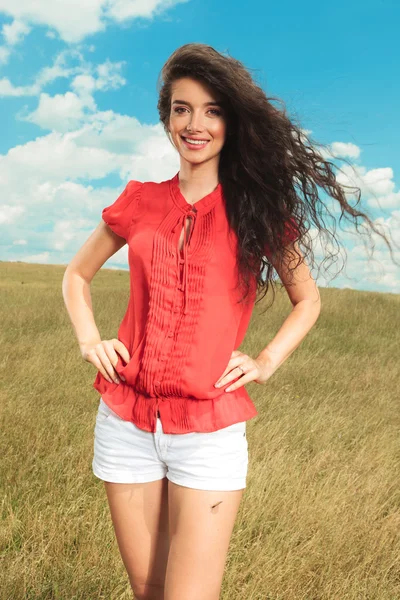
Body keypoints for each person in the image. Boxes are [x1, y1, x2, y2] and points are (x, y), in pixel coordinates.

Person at [62, 43, 390, 600]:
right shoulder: (140, 200)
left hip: (208, 433)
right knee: (147, 592)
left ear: (231, 122)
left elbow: (306, 299)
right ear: (166, 116)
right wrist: (90, 339)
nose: (196, 124)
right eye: (183, 108)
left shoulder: (253, 209)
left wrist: (265, 361)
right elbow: (76, 275)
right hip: (125, 422)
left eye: (213, 110)